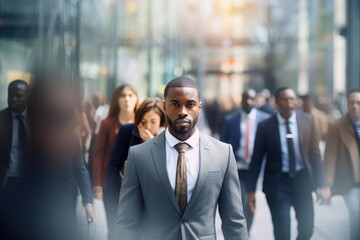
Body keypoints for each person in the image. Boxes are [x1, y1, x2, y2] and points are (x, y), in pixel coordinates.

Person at [115, 77, 248, 240]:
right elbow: (127, 222)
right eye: (175, 104)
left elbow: (234, 221)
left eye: (190, 104)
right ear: (164, 107)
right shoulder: (139, 155)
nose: (183, 111)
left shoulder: (223, 153)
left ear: (199, 108)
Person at [246, 87, 330, 240]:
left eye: (292, 99)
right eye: (284, 99)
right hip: (278, 184)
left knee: (307, 229)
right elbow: (256, 159)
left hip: (302, 181)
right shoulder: (265, 126)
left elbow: (315, 155)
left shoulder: (308, 121)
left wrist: (322, 184)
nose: (289, 102)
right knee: (282, 233)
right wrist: (251, 191)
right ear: (276, 102)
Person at [105, 97, 167, 240]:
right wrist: (113, 198)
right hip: (125, 197)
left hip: (154, 205)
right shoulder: (127, 131)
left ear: (161, 121)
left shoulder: (167, 138)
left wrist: (151, 142)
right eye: (143, 121)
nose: (147, 126)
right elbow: (113, 165)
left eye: (153, 121)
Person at [221, 89, 270, 232]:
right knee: (241, 201)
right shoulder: (231, 120)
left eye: (251, 99)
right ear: (241, 100)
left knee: (251, 199)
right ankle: (243, 232)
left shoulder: (265, 119)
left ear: (255, 101)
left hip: (256, 169)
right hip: (238, 167)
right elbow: (224, 144)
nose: (248, 101)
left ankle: (247, 230)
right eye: (245, 98)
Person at [324, 89, 360, 240]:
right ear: (347, 104)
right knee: (356, 213)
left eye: (358, 103)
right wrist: (327, 185)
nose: (355, 106)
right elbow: (330, 156)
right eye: (351, 102)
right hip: (350, 182)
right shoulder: (336, 125)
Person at [92, 84, 139, 200]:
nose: (127, 99)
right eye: (122, 95)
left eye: (130, 95)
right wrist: (97, 183)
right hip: (111, 179)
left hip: (137, 182)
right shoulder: (107, 123)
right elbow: (99, 153)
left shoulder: (142, 121)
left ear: (136, 98)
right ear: (117, 99)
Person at [0, 80, 29, 236]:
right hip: (7, 183)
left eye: (18, 96)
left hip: (29, 184)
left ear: (28, 98)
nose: (13, 99)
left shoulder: (37, 122)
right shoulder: (1, 119)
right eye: (11, 96)